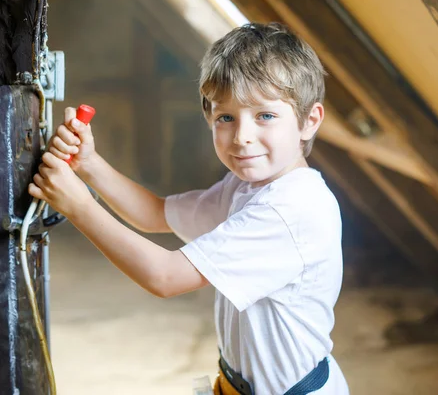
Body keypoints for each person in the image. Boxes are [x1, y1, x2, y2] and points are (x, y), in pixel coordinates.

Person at [29, 22, 350, 394]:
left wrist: (78, 205)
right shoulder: (248, 186)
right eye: (225, 117)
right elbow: (155, 213)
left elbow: (165, 277)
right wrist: (89, 164)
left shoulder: (291, 208)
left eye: (265, 116)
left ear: (309, 121)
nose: (242, 136)